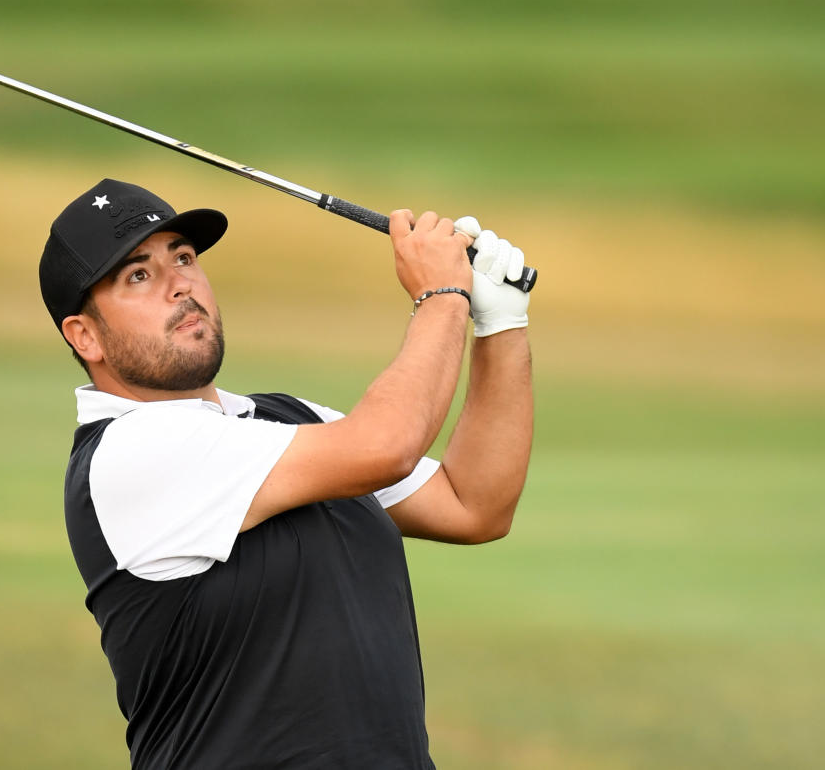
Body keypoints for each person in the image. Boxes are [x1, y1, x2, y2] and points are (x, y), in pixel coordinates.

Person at [38, 178, 534, 769]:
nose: (179, 285)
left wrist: (499, 324)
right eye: (138, 275)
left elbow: (473, 504)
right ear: (84, 335)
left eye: (184, 257)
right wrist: (443, 293)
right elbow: (387, 444)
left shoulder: (284, 420)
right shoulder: (129, 451)